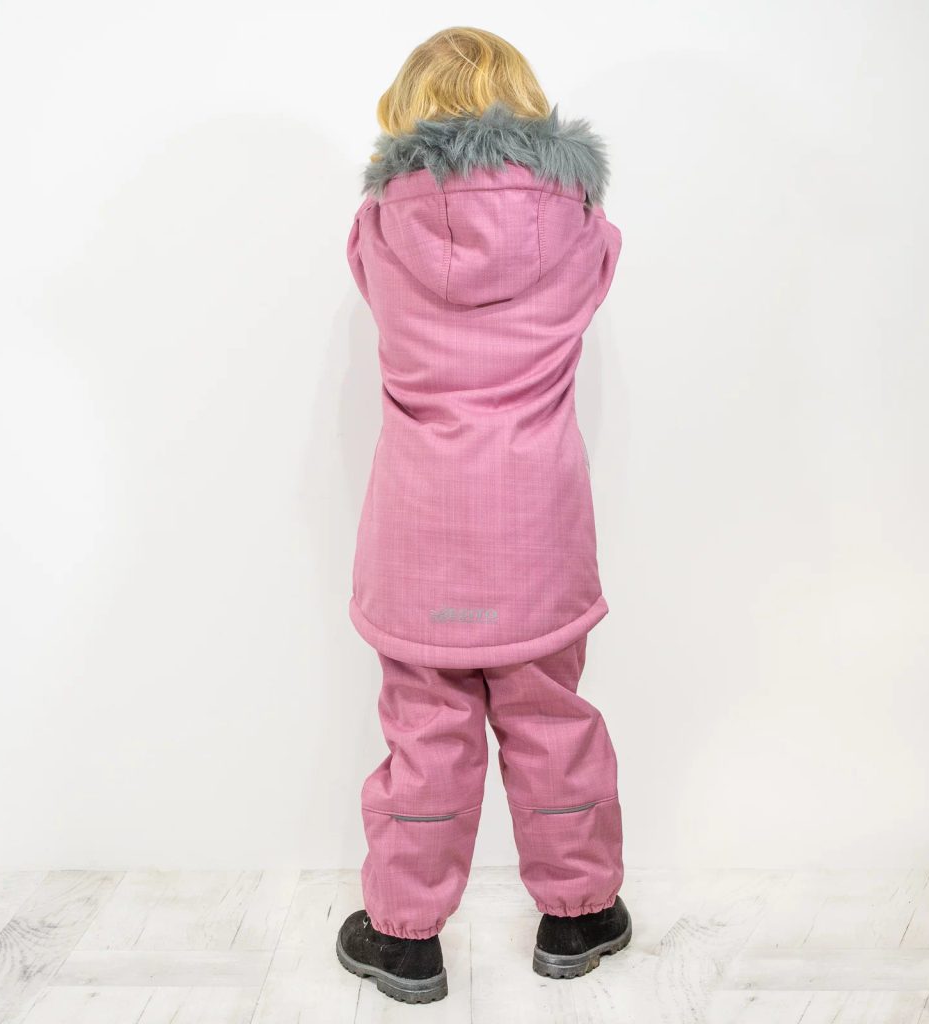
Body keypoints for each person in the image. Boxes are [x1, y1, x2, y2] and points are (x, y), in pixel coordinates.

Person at [335, 26, 629, 1004]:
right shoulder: (579, 221)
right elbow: (605, 264)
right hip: (536, 531)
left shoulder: (380, 226)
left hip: (419, 534)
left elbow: (366, 281)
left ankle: (404, 937)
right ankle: (578, 915)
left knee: (427, 732)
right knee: (552, 724)